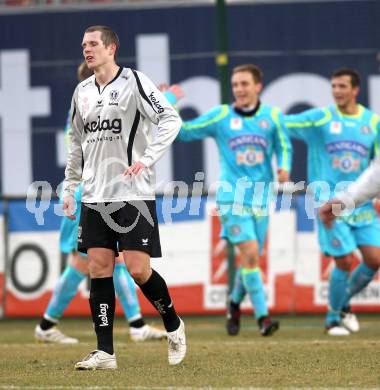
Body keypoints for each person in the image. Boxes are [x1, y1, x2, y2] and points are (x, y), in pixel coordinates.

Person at [62, 25, 186, 370]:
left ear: (111, 48)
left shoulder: (135, 82)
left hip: (133, 193)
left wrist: (147, 159)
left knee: (137, 269)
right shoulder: (82, 91)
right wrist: (71, 187)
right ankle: (105, 353)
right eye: (84, 45)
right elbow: (76, 144)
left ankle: (174, 324)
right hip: (94, 195)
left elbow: (170, 120)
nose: (87, 50)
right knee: (98, 268)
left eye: (93, 44)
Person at [34, 63, 183, 345]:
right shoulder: (85, 107)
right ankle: (46, 324)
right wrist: (170, 98)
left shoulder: (95, 104)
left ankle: (136, 324)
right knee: (83, 264)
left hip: (107, 191)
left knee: (114, 262)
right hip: (88, 194)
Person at [177, 64, 292, 337]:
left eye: (244, 84)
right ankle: (263, 318)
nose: (239, 89)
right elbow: (184, 132)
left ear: (258, 86)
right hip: (231, 197)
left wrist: (284, 167)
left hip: (262, 198)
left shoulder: (272, 117)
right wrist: (168, 107)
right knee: (251, 254)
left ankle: (234, 303)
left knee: (250, 259)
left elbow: (283, 146)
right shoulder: (221, 116)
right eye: (236, 84)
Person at [285, 67, 380, 336]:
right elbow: (286, 123)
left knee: (374, 260)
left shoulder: (373, 123)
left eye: (342, 86)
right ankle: (333, 319)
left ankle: (343, 304)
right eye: (334, 86)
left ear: (355, 90)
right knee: (344, 261)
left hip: (360, 204)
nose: (337, 91)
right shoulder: (321, 118)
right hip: (329, 202)